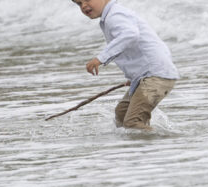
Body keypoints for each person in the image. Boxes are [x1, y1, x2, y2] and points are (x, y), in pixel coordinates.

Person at [71, 0, 179, 130]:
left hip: (156, 76)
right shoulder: (112, 15)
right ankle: (142, 141)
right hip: (149, 74)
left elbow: (130, 35)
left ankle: (162, 141)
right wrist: (135, 76)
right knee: (122, 114)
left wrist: (101, 58)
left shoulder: (115, 15)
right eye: (79, 3)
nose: (83, 6)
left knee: (132, 122)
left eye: (87, 0)